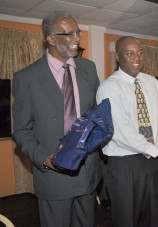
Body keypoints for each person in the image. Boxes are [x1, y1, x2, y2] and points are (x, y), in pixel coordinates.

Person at [12, 10, 101, 227]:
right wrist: (45, 159)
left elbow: (95, 114)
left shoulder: (88, 68)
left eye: (77, 32)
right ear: (50, 39)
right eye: (68, 34)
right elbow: (21, 131)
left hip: (88, 172)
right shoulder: (27, 78)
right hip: (54, 178)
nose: (77, 38)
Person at [96, 36, 158, 227]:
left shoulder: (151, 81)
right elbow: (122, 133)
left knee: (155, 216)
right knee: (127, 219)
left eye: (139, 52)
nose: (137, 58)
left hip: (152, 162)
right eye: (130, 53)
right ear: (118, 56)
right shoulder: (109, 88)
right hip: (125, 164)